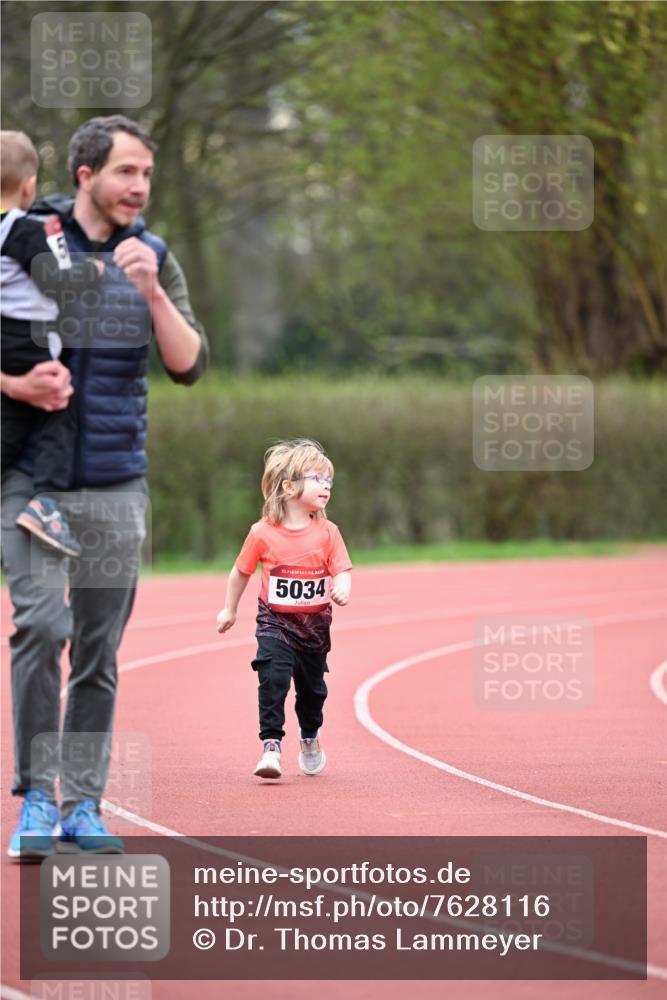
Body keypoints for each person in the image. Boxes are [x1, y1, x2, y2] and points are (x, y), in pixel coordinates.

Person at [2, 115, 209, 859]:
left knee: (96, 651)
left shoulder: (153, 254)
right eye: (126, 172)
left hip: (118, 482)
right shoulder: (25, 237)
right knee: (42, 628)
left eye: (147, 175)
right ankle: (36, 799)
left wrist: (152, 294)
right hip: (29, 477)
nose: (139, 187)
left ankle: (82, 806)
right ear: (85, 176)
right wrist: (15, 383)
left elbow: (189, 364)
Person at [217, 439, 352, 779]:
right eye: (317, 478)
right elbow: (241, 571)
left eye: (329, 481)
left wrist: (342, 587)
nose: (326, 486)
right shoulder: (261, 533)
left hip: (313, 631)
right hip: (274, 623)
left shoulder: (328, 533)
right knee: (272, 679)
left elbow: (343, 569)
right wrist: (229, 609)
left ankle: (309, 736)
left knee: (312, 693)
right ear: (290, 486)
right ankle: (271, 747)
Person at [1, 130, 106, 557]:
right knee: (62, 408)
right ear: (29, 185)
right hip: (31, 340)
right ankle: (46, 501)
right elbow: (57, 281)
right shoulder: (29, 228)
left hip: (3, 342)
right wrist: (91, 271)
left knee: (11, 424)